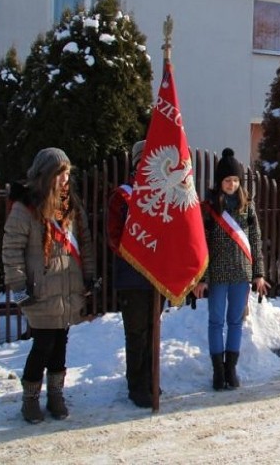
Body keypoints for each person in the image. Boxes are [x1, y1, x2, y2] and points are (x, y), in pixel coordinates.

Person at [3, 148, 95, 424]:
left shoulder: (70, 206)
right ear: (46, 175)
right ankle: (30, 398)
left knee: (61, 344)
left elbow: (85, 243)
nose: (66, 178)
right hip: (40, 290)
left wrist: (88, 276)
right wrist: (19, 286)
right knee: (42, 345)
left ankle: (55, 395)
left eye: (68, 173)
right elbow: (12, 250)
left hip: (68, 289)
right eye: (61, 173)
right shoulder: (25, 208)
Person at [194, 148, 268, 390]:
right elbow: (201, 244)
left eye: (236, 180)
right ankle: (217, 371)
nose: (232, 184)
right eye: (228, 180)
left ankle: (230, 369)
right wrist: (202, 278)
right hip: (216, 275)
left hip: (241, 273)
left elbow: (255, 239)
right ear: (219, 182)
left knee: (235, 322)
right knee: (216, 322)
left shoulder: (248, 207)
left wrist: (258, 273)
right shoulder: (209, 208)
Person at [107, 141, 161, 407]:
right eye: (142, 162)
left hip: (156, 277)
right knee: (136, 332)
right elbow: (114, 237)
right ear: (135, 164)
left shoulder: (162, 195)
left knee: (153, 330)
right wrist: (139, 255)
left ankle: (151, 378)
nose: (145, 168)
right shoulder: (123, 196)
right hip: (132, 276)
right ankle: (136, 384)